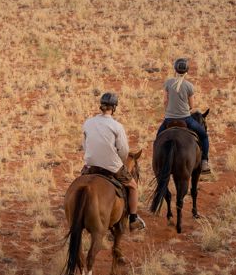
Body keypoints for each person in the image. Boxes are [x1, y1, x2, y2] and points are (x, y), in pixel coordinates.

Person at [81, 92, 145, 231]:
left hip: (90, 164)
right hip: (111, 166)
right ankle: (133, 219)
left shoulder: (88, 122)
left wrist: (91, 156)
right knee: (133, 186)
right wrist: (119, 162)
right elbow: (123, 150)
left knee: (81, 182)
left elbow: (85, 145)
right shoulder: (116, 126)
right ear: (114, 108)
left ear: (101, 106)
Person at [156, 58, 211, 174]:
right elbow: (192, 105)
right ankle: (204, 161)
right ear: (187, 71)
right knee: (204, 136)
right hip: (186, 119)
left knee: (157, 139)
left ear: (175, 69)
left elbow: (165, 101)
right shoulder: (189, 86)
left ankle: (157, 162)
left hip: (169, 119)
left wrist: (169, 111)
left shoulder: (168, 83)